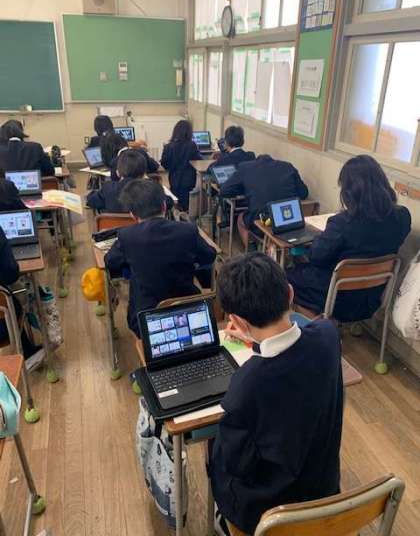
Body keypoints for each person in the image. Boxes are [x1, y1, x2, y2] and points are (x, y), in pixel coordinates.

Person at [209, 253, 343, 535]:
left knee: (215, 450)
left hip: (270, 513)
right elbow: (304, 335)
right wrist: (256, 340)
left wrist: (255, 340)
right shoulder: (329, 336)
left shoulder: (247, 383)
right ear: (290, 293)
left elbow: (236, 463)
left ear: (236, 321)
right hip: (324, 487)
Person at [287, 154, 412, 322]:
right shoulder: (402, 217)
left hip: (336, 299)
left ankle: (319, 327)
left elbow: (317, 257)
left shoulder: (342, 223)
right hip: (372, 299)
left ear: (350, 192)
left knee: (288, 276)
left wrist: (319, 239)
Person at [105, 179, 217, 337]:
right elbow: (209, 256)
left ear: (132, 214)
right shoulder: (188, 230)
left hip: (145, 318)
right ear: (164, 206)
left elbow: (110, 262)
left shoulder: (127, 236)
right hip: (187, 310)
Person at [220, 154, 309, 246]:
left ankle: (251, 250)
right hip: (292, 221)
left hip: (264, 222)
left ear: (256, 160)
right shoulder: (288, 166)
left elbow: (224, 191)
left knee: (240, 219)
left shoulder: (245, 167)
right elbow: (304, 193)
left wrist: (245, 189)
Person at [0, 227, 43, 364]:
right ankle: (28, 351)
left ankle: (27, 349)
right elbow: (10, 273)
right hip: (3, 326)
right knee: (15, 297)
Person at [161, 119, 202, 211]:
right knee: (186, 203)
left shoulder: (168, 146)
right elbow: (199, 161)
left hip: (174, 179)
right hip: (188, 180)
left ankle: (176, 214)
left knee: (176, 201)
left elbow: (164, 164)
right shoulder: (192, 145)